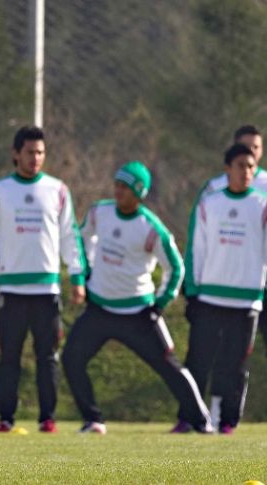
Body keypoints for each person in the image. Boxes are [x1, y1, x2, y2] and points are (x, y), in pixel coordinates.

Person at [60, 161, 212, 435]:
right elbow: (79, 241)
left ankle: (201, 422)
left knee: (170, 368)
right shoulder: (99, 212)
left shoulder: (151, 228)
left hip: (139, 314)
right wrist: (83, 274)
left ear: (139, 192)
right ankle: (93, 420)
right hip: (99, 309)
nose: (118, 191)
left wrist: (160, 304)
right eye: (117, 184)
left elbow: (175, 268)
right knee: (71, 358)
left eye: (125, 187)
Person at [0, 126, 87, 434]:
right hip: (12, 288)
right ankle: (6, 418)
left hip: (47, 289)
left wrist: (77, 275)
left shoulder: (58, 190)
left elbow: (69, 236)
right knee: (9, 357)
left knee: (47, 357)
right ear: (15, 153)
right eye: (30, 152)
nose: (36, 158)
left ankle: (48, 418)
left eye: (40, 153)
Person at [178, 143, 267, 435]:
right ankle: (189, 418)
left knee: (235, 365)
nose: (246, 171)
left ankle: (228, 421)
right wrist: (192, 289)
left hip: (247, 300)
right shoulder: (210, 203)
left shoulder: (264, 206)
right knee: (198, 361)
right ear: (227, 168)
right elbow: (197, 248)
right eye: (241, 165)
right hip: (210, 296)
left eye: (251, 166)